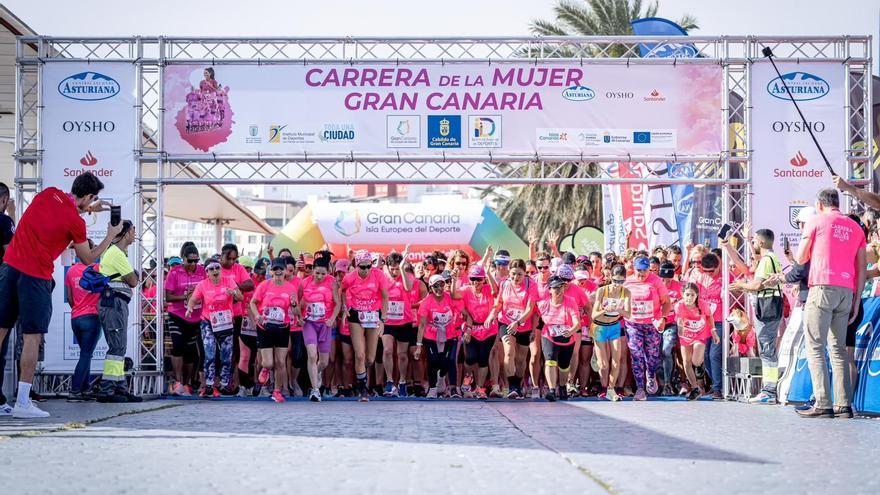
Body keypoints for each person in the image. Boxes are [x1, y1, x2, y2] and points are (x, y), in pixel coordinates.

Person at [0, 172, 121, 417]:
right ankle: (23, 402)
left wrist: (84, 208)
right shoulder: (76, 223)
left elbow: (56, 217)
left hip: (9, 267)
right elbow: (87, 257)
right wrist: (110, 235)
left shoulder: (47, 194)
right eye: (91, 199)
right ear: (89, 196)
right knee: (32, 338)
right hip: (35, 277)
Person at [794, 188, 866, 418]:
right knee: (838, 349)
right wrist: (857, 299)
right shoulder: (856, 228)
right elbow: (861, 268)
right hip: (847, 290)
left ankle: (823, 403)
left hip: (822, 287)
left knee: (815, 345)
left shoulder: (816, 221)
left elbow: (800, 257)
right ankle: (844, 405)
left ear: (820, 204)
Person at [733, 229, 784, 405]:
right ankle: (768, 390)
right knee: (766, 349)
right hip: (770, 307)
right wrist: (748, 239)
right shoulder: (771, 258)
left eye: (754, 241)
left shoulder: (767, 261)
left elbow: (757, 285)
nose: (753, 244)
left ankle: (769, 391)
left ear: (761, 243)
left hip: (768, 308)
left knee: (767, 350)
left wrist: (741, 285)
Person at [96, 221, 141, 402]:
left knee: (119, 347)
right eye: (133, 231)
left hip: (115, 303)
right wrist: (134, 274)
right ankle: (107, 390)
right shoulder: (116, 253)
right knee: (116, 347)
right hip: (114, 303)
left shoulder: (116, 252)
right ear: (127, 233)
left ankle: (119, 387)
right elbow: (133, 280)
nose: (134, 234)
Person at [188, 257, 243, 399]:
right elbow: (193, 299)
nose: (215, 271)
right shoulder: (202, 285)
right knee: (210, 353)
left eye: (217, 268)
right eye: (211, 269)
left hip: (225, 323)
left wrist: (235, 293)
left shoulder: (229, 281)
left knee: (226, 354)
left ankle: (225, 384)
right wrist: (189, 308)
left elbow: (241, 297)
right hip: (208, 322)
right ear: (207, 272)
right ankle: (209, 384)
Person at [341, 250, 389, 401]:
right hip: (356, 315)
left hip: (373, 315)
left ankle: (361, 375)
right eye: (362, 267)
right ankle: (362, 388)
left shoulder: (378, 275)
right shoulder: (350, 277)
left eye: (369, 266)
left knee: (370, 359)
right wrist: (344, 308)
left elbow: (385, 296)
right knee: (359, 355)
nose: (366, 270)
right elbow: (341, 290)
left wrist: (383, 319)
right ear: (356, 266)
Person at [489, 258, 538, 399]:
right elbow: (499, 303)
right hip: (505, 322)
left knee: (521, 359)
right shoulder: (504, 283)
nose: (516, 277)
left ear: (524, 274)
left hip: (524, 324)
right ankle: (511, 386)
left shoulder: (531, 285)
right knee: (509, 352)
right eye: (513, 274)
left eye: (519, 274)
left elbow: (530, 309)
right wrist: (493, 313)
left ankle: (518, 384)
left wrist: (518, 322)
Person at [623, 256, 670, 401]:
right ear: (633, 268)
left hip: (652, 323)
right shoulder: (627, 282)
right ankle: (640, 389)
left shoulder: (656, 281)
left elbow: (666, 302)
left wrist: (663, 318)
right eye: (639, 270)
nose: (642, 274)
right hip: (633, 323)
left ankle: (650, 375)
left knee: (652, 355)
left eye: (645, 270)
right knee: (636, 354)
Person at [164, 243, 206, 396]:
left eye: (196, 261)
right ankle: (178, 381)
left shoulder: (203, 272)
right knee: (178, 346)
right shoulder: (174, 273)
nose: (193, 264)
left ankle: (187, 384)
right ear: (183, 259)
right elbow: (168, 296)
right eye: (190, 261)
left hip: (196, 317)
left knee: (190, 352)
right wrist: (187, 297)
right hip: (177, 314)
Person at [299, 251, 340, 402]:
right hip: (309, 323)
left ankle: (317, 372)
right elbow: (296, 303)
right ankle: (315, 390)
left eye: (323, 274)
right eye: (317, 273)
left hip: (325, 324)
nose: (320, 276)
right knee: (311, 355)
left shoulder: (332, 282)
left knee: (323, 361)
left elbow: (338, 304)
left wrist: (332, 318)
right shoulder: (304, 283)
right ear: (313, 270)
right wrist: (299, 317)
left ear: (328, 272)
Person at [64, 240, 102, 402]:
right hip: (92, 317)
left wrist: (79, 308)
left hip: (76, 318)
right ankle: (75, 390)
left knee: (85, 354)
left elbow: (70, 299)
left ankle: (85, 389)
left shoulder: (71, 271)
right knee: (86, 355)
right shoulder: (97, 269)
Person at [454, 265, 499, 400]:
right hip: (472, 328)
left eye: (479, 279)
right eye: (473, 279)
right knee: (470, 358)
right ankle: (468, 378)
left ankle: (480, 388)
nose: (476, 282)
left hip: (488, 329)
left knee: (483, 359)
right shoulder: (466, 290)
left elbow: (495, 291)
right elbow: (453, 295)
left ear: (483, 279)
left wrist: (489, 274)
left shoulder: (487, 288)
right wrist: (455, 278)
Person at [413, 274, 460, 399]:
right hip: (431, 336)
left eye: (442, 285)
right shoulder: (426, 302)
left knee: (447, 361)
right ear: (430, 288)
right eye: (436, 286)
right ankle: (433, 388)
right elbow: (422, 324)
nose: (439, 288)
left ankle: (441, 378)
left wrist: (467, 327)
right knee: (433, 361)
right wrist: (418, 346)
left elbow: (462, 311)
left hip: (449, 335)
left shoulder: (450, 298)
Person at [536, 276, 582, 402]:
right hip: (549, 336)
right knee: (550, 360)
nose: (559, 290)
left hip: (568, 336)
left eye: (561, 287)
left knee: (564, 365)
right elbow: (535, 316)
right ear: (549, 290)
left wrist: (571, 331)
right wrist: (533, 331)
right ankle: (551, 390)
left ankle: (562, 387)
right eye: (556, 287)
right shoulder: (543, 303)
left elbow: (577, 322)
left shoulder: (571, 301)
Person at [591, 264, 631, 401]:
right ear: (611, 278)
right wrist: (605, 309)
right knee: (603, 364)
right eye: (615, 281)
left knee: (616, 361)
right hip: (599, 327)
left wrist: (618, 310)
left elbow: (628, 314)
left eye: (621, 281)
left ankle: (610, 389)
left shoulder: (625, 292)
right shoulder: (602, 291)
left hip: (614, 326)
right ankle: (603, 386)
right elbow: (594, 315)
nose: (617, 284)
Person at [219, 243, 254, 393]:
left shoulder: (239, 269)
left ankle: (232, 383)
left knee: (233, 351)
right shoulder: (215, 268)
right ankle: (216, 383)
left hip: (236, 315)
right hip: (217, 316)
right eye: (229, 258)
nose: (232, 262)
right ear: (222, 256)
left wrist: (235, 287)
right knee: (217, 351)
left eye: (235, 259)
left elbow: (250, 284)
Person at [675, 283, 719, 400]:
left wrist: (713, 331)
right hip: (686, 335)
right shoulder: (679, 305)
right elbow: (679, 320)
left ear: (697, 296)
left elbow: (710, 317)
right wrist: (680, 333)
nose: (689, 297)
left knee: (696, 361)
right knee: (686, 362)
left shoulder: (702, 304)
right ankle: (695, 388)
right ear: (682, 295)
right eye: (687, 295)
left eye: (692, 295)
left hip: (700, 334)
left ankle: (701, 364)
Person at [381, 250, 414, 397]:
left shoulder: (407, 276)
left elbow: (408, 288)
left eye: (397, 268)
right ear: (388, 267)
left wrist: (402, 269)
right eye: (392, 268)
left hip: (404, 321)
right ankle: (389, 382)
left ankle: (402, 382)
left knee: (401, 354)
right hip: (387, 320)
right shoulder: (383, 278)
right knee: (387, 350)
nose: (394, 271)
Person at [658, 261, 682, 396]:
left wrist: (676, 303)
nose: (666, 282)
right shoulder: (654, 286)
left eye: (669, 280)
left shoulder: (679, 287)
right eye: (663, 279)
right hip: (655, 323)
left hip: (671, 323)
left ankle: (667, 383)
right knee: (655, 353)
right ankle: (657, 383)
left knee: (666, 350)